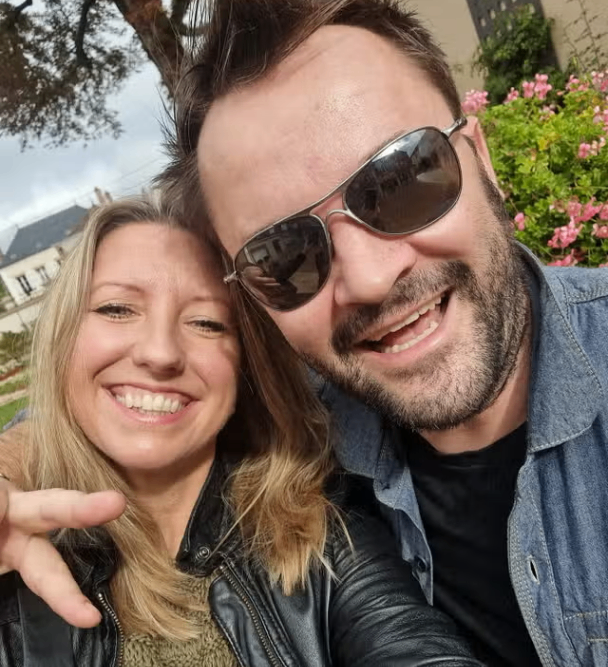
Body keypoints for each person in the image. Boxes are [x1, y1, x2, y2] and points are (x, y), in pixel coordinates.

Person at [2, 0, 607, 665]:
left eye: (400, 181)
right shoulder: (303, 418)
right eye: (285, 253)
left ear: (483, 158)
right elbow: (104, 399)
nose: (369, 278)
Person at [0, 195, 482, 666]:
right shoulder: (11, 549)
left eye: (207, 323)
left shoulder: (324, 544)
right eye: (117, 309)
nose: (160, 353)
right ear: (62, 338)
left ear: (246, 369)